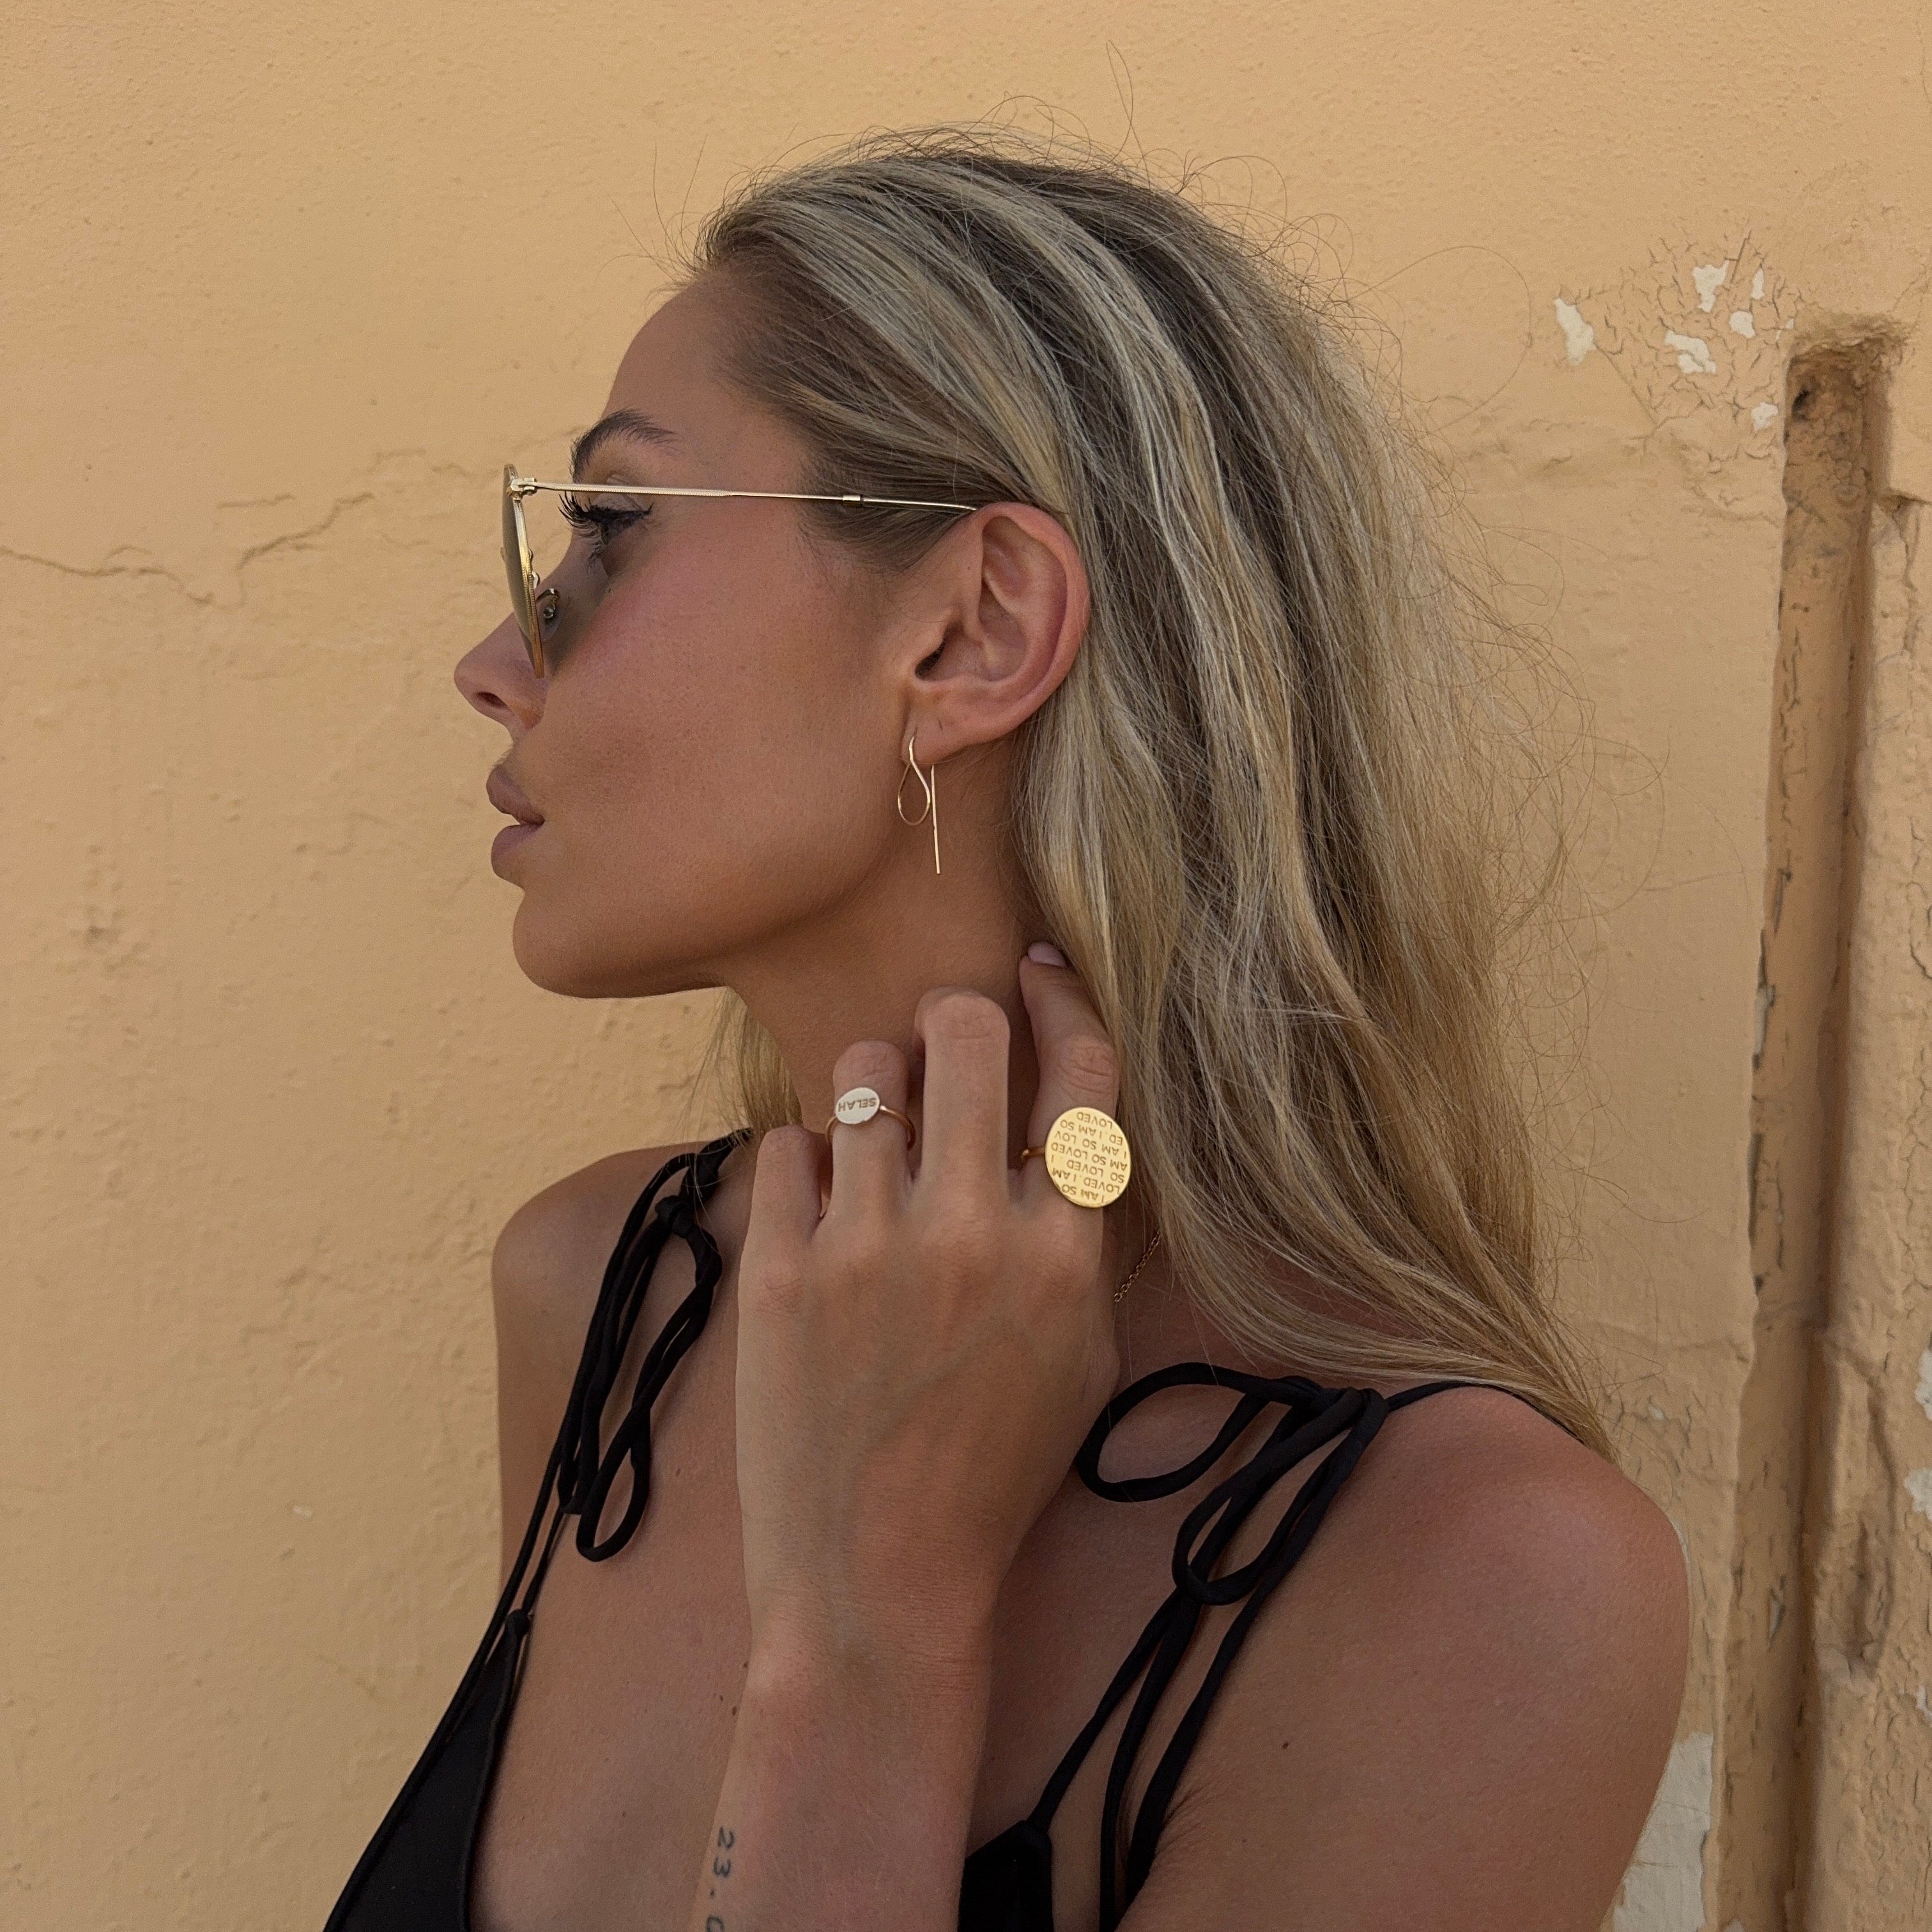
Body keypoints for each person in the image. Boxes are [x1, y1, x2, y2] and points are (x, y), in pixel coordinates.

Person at [324, 128, 1688, 1932]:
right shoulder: (603, 1300)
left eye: (615, 526)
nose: (498, 659)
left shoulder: (1480, 1577)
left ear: (975, 629)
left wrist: (868, 1644)